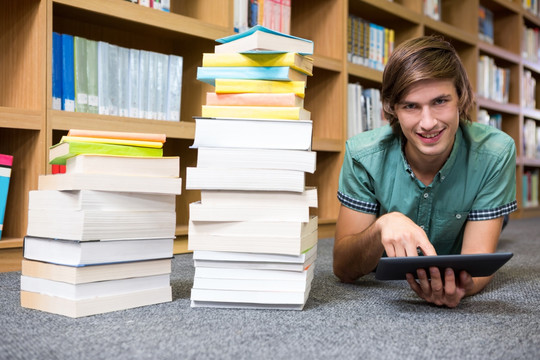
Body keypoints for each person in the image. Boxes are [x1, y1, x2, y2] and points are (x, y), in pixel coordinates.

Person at [333, 36, 517, 308]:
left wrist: (464, 287)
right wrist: (381, 226)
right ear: (391, 109)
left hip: (475, 201)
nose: (428, 123)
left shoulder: (496, 153)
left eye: (440, 101)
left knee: (498, 226)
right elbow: (343, 268)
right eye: (410, 106)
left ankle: (497, 216)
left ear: (461, 99)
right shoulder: (362, 155)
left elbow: (477, 265)